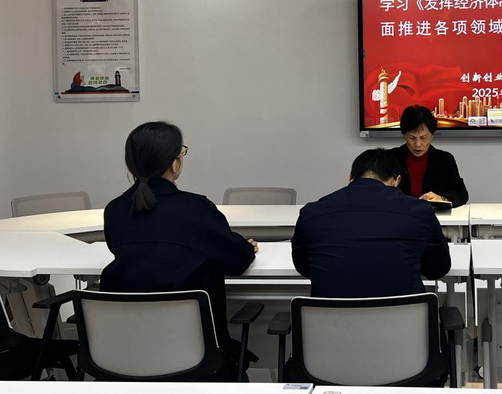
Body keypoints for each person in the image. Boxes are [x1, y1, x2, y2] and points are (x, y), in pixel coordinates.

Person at [100, 121, 257, 379]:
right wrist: (245, 246)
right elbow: (236, 261)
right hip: (198, 360)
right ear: (175, 164)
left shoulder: (115, 210)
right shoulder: (196, 208)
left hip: (126, 356)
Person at [291, 148, 451, 297]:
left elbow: (304, 268)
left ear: (350, 178)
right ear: (396, 181)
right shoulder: (420, 211)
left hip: (329, 317)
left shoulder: (311, 213)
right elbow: (438, 269)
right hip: (404, 317)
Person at [390, 105, 469, 208]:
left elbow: (461, 194)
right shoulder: (391, 158)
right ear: (404, 135)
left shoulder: (445, 160)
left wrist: (441, 198)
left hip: (434, 215)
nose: (418, 144)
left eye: (423, 138)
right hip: (399, 214)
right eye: (412, 138)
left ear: (432, 136)